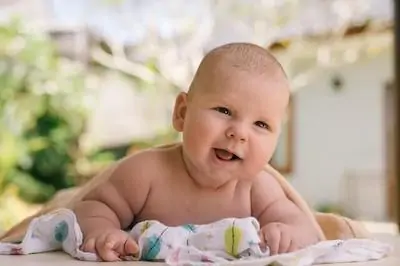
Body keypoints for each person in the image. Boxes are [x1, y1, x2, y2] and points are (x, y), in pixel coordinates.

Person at [72, 42, 320, 261]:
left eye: (261, 124)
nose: (239, 133)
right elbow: (93, 206)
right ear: (182, 113)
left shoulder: (257, 188)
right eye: (224, 110)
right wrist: (102, 230)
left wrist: (287, 233)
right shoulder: (146, 174)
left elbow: (305, 227)